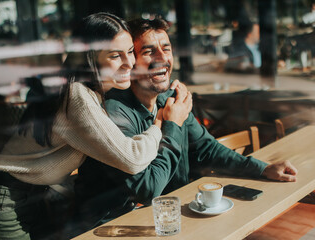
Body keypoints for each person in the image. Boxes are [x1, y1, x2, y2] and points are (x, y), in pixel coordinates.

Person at [73, 16, 297, 234]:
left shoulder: (169, 98)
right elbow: (147, 190)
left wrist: (263, 168)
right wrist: (172, 123)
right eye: (149, 51)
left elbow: (207, 148)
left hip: (166, 218)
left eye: (166, 48)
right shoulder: (114, 112)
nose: (162, 58)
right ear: (131, 62)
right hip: (113, 227)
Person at [0, 13, 192, 240]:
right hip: (8, 202)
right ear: (91, 58)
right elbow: (132, 159)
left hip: (33, 198)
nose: (129, 63)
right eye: (115, 55)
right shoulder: (77, 96)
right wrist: (163, 121)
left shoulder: (88, 91)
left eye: (131, 51)